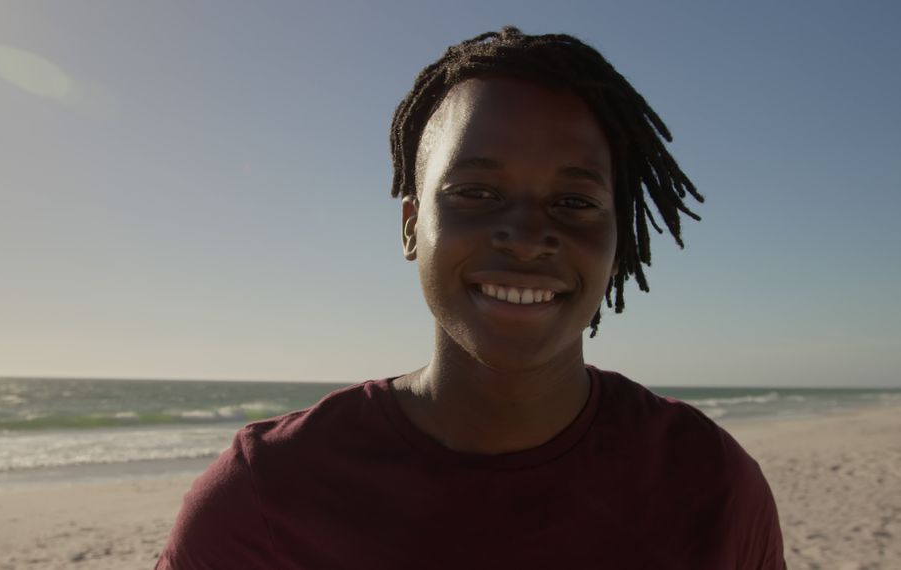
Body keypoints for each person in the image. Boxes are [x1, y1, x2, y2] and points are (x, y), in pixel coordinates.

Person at [156, 27, 786, 569]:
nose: (527, 237)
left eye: (574, 203)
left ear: (617, 239)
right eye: (476, 193)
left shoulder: (710, 482)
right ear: (411, 225)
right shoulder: (265, 496)